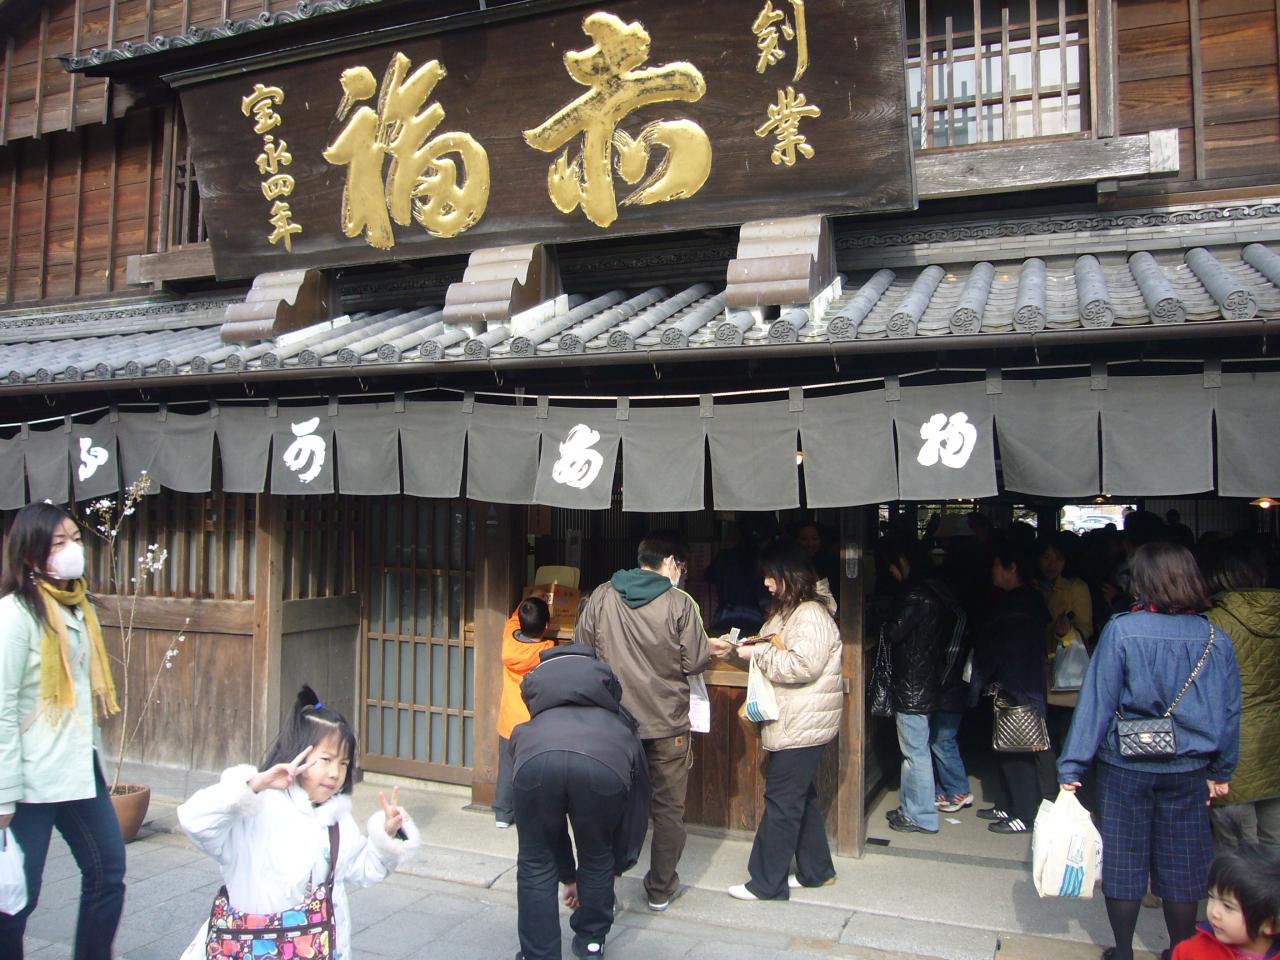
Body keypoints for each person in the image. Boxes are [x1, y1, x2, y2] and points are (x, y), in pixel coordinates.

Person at [1059, 541, 1242, 960]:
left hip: (1125, 764)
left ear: (1143, 581)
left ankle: (1123, 951)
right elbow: (1230, 710)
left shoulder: (1122, 630)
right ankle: (1180, 951)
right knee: (1182, 866)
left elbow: (1097, 701)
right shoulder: (1215, 637)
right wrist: (1222, 770)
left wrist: (1072, 766)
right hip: (1189, 767)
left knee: (1124, 861)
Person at [177, 686, 419, 960]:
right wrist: (253, 785)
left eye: (343, 763)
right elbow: (194, 820)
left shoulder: (337, 821)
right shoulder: (253, 809)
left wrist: (387, 835)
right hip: (246, 948)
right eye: (326, 760)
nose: (335, 773)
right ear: (298, 755)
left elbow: (363, 869)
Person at [0, 502, 125, 960]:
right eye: (58, 542)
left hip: (77, 769)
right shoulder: (14, 615)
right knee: (17, 897)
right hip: (30, 780)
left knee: (108, 872)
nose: (73, 548)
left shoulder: (79, 607)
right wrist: (2, 795)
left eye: (75, 538)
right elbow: (2, 709)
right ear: (31, 552)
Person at [573, 530, 710, 912]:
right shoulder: (679, 603)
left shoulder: (602, 595)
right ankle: (660, 888)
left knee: (609, 806)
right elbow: (696, 661)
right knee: (668, 811)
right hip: (667, 724)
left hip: (613, 723)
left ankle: (604, 885)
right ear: (670, 563)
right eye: (681, 566)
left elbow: (581, 649)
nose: (681, 573)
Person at [712, 541, 841, 900]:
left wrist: (757, 653)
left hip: (803, 722)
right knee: (800, 797)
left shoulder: (810, 614)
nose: (766, 583)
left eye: (771, 576)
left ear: (790, 574)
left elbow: (802, 665)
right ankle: (817, 871)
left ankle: (766, 883)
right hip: (796, 719)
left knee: (782, 802)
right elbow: (767, 656)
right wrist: (734, 652)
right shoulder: (789, 611)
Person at [510, 645, 649, 960]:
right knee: (598, 853)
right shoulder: (621, 727)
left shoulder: (528, 731)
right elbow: (638, 802)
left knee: (535, 861)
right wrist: (621, 860)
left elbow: (549, 829)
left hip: (535, 762)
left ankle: (539, 954)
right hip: (603, 767)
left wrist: (567, 875)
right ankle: (590, 942)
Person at [876, 536, 965, 833]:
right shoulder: (934, 591)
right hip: (926, 683)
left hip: (912, 686)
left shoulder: (915, 596)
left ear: (904, 562)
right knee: (916, 751)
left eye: (892, 565)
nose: (891, 572)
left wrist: (884, 618)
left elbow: (894, 632)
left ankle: (921, 815)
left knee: (915, 753)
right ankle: (910, 808)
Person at [1201, 535, 1280, 854]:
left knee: (1236, 850)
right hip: (1274, 746)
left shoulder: (1211, 624)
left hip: (1231, 752)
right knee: (1274, 845)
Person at [970, 537, 1052, 835]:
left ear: (1012, 568)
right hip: (1021, 682)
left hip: (1018, 685)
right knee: (1005, 746)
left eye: (997, 565)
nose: (992, 570)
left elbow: (1004, 647)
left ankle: (1024, 814)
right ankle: (1007, 803)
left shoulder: (1015, 603)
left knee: (1018, 749)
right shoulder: (1030, 599)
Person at [495, 596, 554, 828]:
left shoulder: (508, 641)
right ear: (546, 626)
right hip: (532, 722)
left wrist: (528, 598)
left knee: (506, 766)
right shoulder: (546, 650)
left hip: (508, 720)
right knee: (532, 769)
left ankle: (502, 813)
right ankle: (527, 814)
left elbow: (512, 620)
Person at [1171, 846, 1279, 960]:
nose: (1214, 912)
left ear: (1270, 925)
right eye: (1211, 896)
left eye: (1228, 906)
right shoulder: (1191, 952)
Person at [1038, 533, 1094, 657]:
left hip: (1064, 659)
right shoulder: (1030, 587)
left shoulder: (1077, 587)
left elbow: (1085, 628)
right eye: (1046, 557)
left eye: (1058, 558)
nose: (1051, 564)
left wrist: (1066, 634)